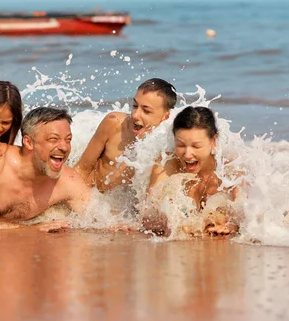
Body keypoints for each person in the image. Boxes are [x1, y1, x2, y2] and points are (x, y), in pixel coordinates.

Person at [142, 106, 241, 236]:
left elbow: (247, 209)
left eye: (196, 146)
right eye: (181, 145)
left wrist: (232, 224)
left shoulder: (229, 169)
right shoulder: (166, 165)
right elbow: (147, 214)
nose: (188, 155)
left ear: (213, 142)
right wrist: (169, 221)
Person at [74, 78, 177, 193]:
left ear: (165, 117)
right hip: (92, 196)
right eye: (134, 105)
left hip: (122, 208)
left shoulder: (166, 146)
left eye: (146, 111)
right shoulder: (114, 123)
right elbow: (81, 169)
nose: (135, 115)